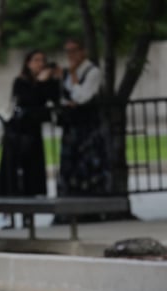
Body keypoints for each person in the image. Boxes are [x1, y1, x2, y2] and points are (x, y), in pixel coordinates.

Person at [0, 49, 61, 228]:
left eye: (43, 60)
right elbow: (28, 100)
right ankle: (8, 215)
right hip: (17, 135)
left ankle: (28, 215)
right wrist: (40, 83)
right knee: (11, 175)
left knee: (31, 176)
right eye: (36, 60)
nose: (40, 64)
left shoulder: (45, 82)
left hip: (33, 135)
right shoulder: (21, 82)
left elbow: (53, 99)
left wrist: (54, 79)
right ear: (28, 63)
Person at [58, 38, 108, 199]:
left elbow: (82, 97)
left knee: (87, 165)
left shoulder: (92, 72)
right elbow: (65, 98)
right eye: (68, 51)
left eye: (74, 50)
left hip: (87, 127)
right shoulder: (67, 72)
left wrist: (73, 78)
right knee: (70, 167)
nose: (71, 55)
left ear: (83, 51)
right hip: (71, 126)